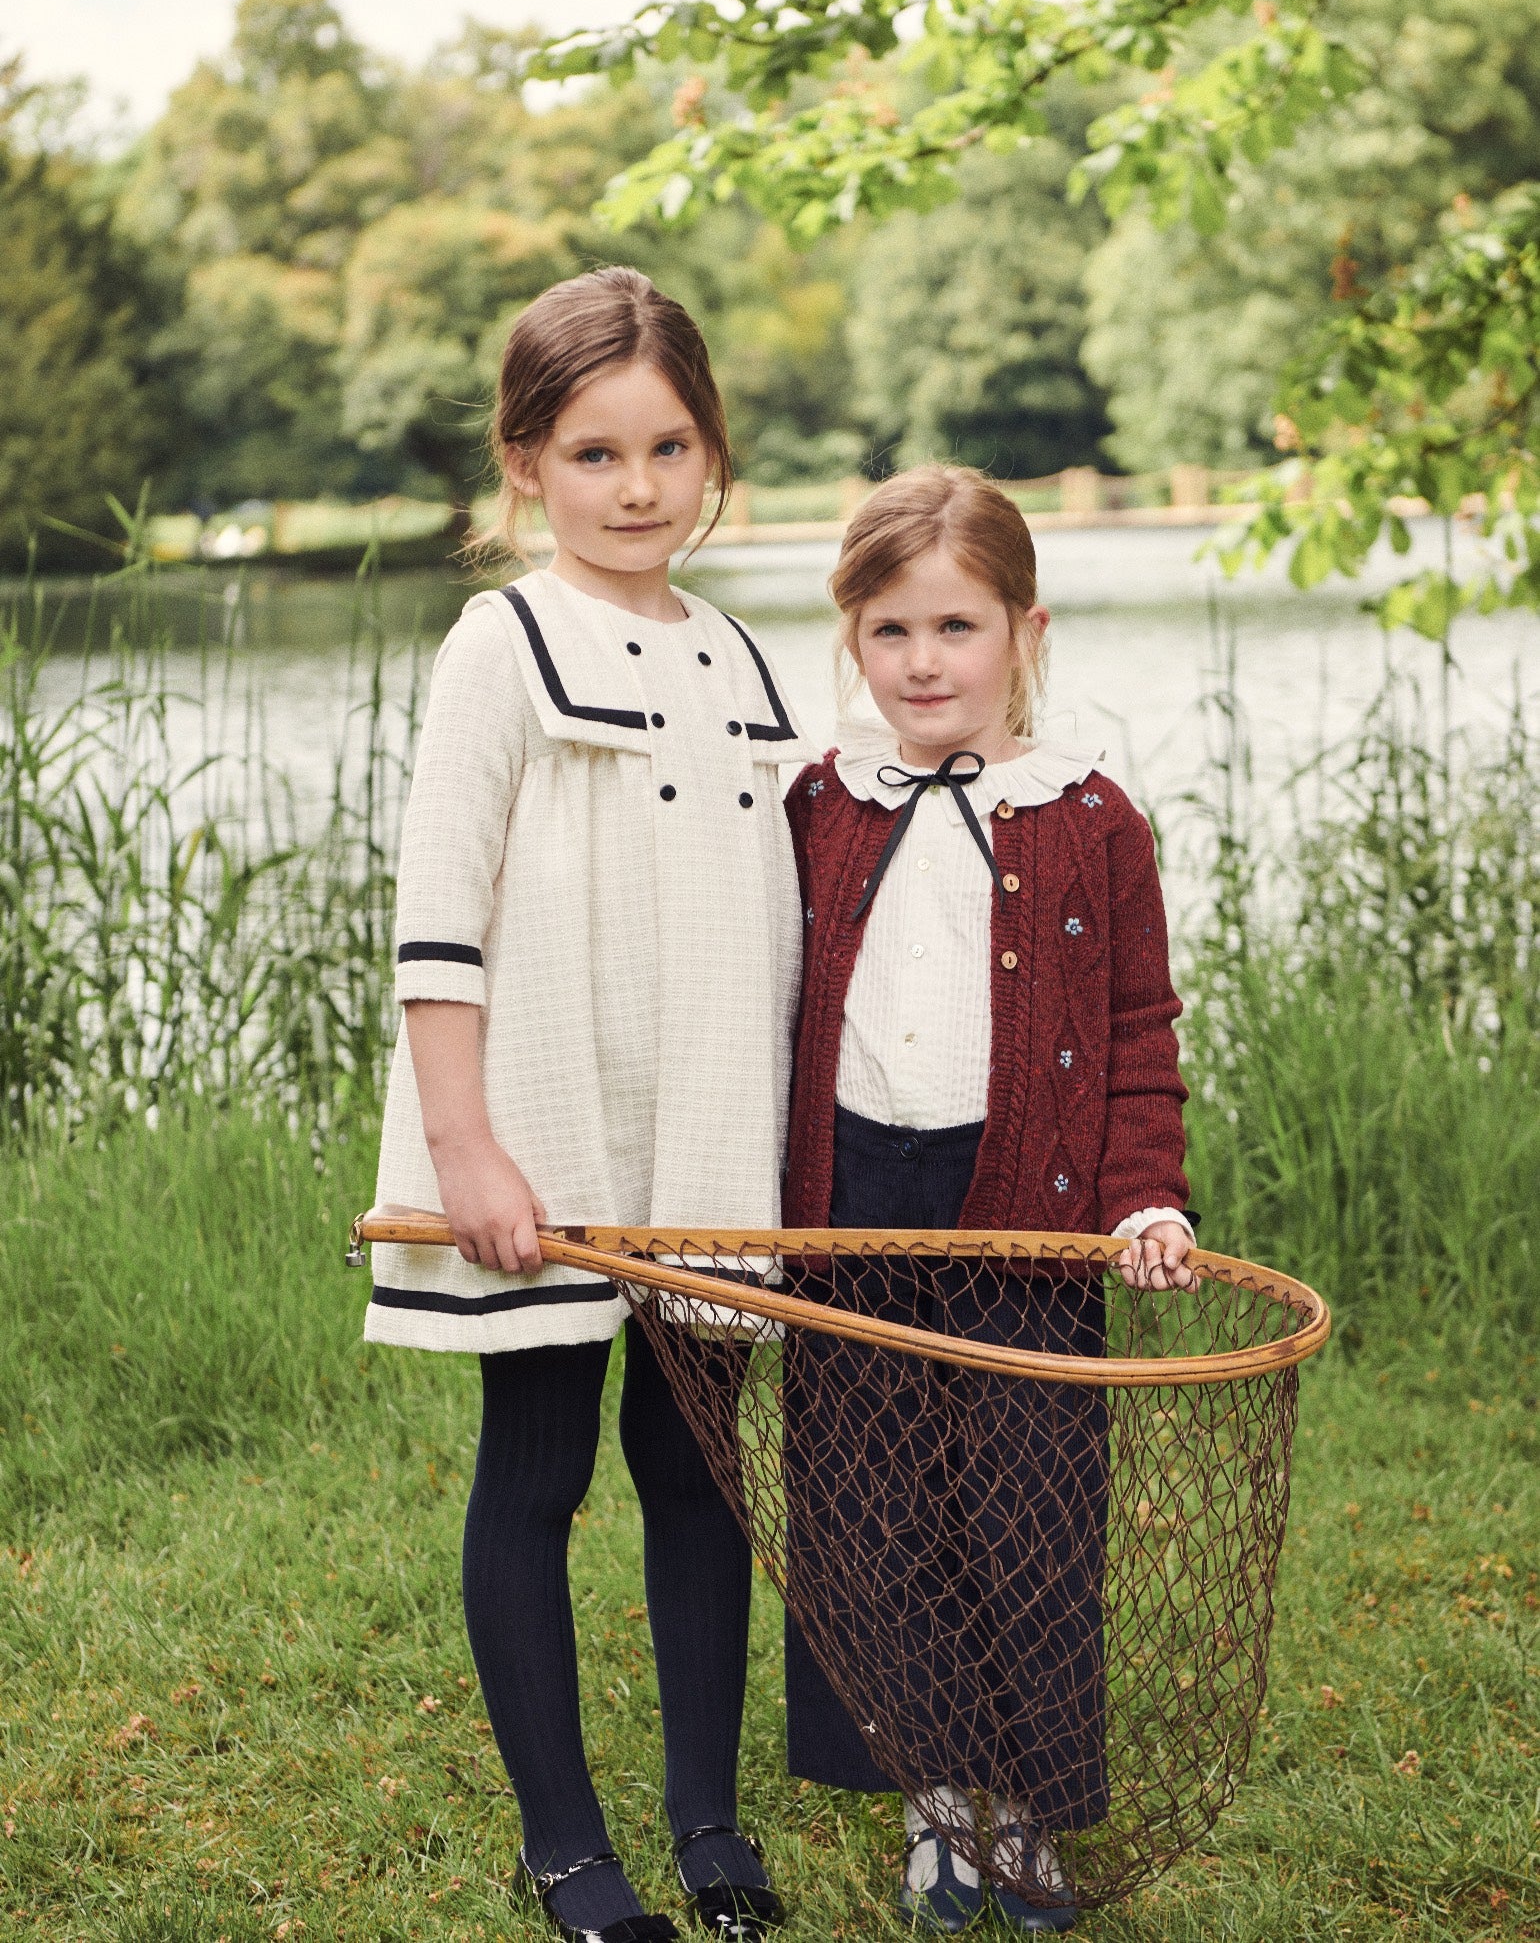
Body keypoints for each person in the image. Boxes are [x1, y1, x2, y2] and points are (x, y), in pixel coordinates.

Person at [366, 267, 807, 1943]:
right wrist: (468, 1142)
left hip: (704, 1130)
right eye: (595, 452)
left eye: (668, 447)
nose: (637, 489)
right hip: (541, 1131)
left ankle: (710, 1825)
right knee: (537, 1474)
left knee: (699, 1472)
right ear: (527, 463)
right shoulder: (503, 643)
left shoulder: (752, 657)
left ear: (711, 454)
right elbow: (439, 908)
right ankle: (568, 1846)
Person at [779, 464, 1196, 1934]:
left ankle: (1023, 1808)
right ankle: (933, 1799)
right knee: (870, 1505)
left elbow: (1140, 1032)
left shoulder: (1087, 819)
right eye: (890, 630)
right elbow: (762, 1004)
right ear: (851, 637)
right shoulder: (820, 803)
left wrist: (1148, 1196)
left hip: (1028, 1204)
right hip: (853, 1202)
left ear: (1024, 626)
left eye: (957, 625)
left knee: (1025, 1508)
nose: (925, 662)